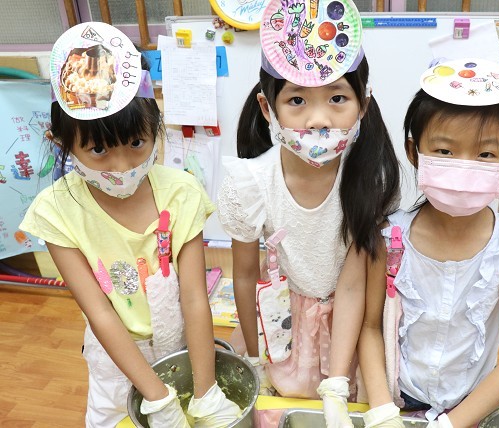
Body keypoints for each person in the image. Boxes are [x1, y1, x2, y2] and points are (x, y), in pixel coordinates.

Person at [20, 22, 240, 427]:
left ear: (155, 127)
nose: (122, 166)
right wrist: (159, 400)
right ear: (62, 143)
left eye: (136, 143)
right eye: (98, 150)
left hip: (181, 347)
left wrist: (206, 392)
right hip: (114, 361)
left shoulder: (181, 193)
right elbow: (100, 313)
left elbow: (195, 299)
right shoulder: (57, 211)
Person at [216, 0, 399, 425]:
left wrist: (339, 379)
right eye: (297, 100)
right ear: (268, 108)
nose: (318, 120)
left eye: (337, 98)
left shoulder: (365, 177)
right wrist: (254, 357)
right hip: (283, 325)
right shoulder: (250, 185)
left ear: (363, 105)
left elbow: (354, 288)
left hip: (351, 329)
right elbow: (244, 276)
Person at [358, 58, 499, 428]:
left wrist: (451, 424)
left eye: (485, 154)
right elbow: (370, 328)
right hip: (399, 399)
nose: (464, 168)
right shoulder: (389, 238)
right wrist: (382, 411)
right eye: (444, 151)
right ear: (414, 152)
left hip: (475, 405)